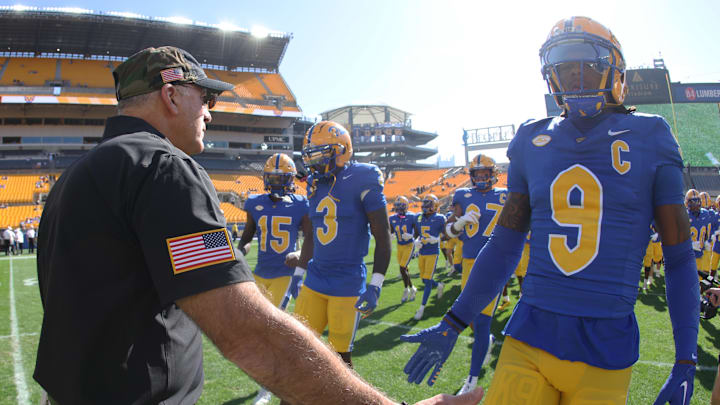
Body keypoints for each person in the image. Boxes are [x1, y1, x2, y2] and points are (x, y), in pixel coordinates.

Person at [34, 46, 481, 405]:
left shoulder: (74, 175)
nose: (210, 111)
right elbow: (245, 329)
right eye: (203, 98)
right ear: (171, 95)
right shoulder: (164, 168)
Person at [401, 16, 699, 405]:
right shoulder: (531, 138)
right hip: (529, 336)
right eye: (563, 70)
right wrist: (454, 321)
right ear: (550, 78)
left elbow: (677, 258)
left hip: (605, 348)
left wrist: (685, 359)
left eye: (587, 68)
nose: (575, 79)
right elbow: (505, 244)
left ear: (615, 74)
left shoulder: (651, 135)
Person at [291, 120, 392, 369]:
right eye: (310, 157)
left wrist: (376, 284)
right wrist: (299, 272)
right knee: (298, 351)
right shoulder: (315, 185)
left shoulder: (363, 176)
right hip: (315, 278)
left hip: (347, 283)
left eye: (321, 155)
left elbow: (383, 234)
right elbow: (312, 236)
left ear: (342, 150)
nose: (314, 163)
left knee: (340, 360)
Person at [236, 153, 312, 405]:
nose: (277, 182)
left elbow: (312, 240)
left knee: (272, 330)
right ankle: (270, 379)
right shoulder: (255, 202)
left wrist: (300, 253)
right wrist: (240, 250)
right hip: (259, 274)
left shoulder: (301, 203)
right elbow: (247, 237)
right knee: (255, 329)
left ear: (290, 179)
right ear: (266, 178)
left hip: (285, 275)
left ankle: (269, 386)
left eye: (281, 178)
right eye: (273, 177)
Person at [443, 154, 506, 394]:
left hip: (494, 262)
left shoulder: (505, 195)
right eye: (477, 174)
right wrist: (458, 225)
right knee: (469, 317)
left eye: (485, 174)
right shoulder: (461, 196)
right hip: (469, 263)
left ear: (493, 174)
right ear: (471, 176)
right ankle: (486, 340)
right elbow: (447, 233)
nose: (481, 178)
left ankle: (471, 380)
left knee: (481, 321)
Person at [411, 194, 446, 320]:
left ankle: (421, 308)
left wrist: (436, 239)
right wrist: (416, 241)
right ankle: (439, 285)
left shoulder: (440, 218)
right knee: (425, 280)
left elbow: (446, 233)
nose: (425, 206)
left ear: (435, 206)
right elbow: (416, 234)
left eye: (428, 204)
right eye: (424, 203)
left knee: (427, 281)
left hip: (432, 253)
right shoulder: (419, 218)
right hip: (422, 252)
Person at [389, 195, 418, 302]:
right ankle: (412, 288)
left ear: (405, 206)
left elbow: (418, 230)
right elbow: (391, 231)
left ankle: (406, 289)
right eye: (397, 206)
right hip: (399, 245)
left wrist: (412, 236)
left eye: (401, 206)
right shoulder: (392, 218)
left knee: (402, 268)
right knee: (404, 269)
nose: (399, 208)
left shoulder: (412, 216)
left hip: (409, 245)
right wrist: (391, 235)